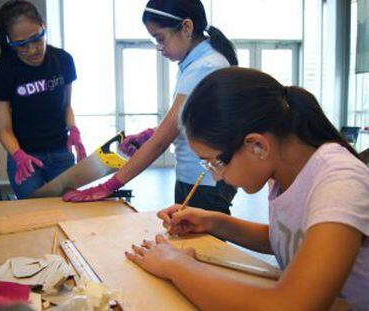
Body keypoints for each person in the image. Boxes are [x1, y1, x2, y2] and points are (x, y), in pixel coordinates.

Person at [125, 67, 369, 310]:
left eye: (215, 162)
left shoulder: (339, 182)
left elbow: (291, 305)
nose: (216, 176)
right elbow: (287, 237)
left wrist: (177, 266)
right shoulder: (284, 171)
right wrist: (213, 222)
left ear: (257, 146)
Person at [64, 0, 238, 215]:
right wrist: (148, 134)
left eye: (160, 39)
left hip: (204, 180)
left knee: (202, 245)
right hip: (199, 176)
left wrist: (109, 185)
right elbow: (186, 121)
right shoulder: (198, 62)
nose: (159, 48)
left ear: (186, 27)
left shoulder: (204, 67)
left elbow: (162, 141)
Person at [0, 0, 86, 199]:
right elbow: (5, 130)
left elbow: (66, 106)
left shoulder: (63, 60)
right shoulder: (1, 73)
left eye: (37, 38)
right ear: (9, 42)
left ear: (44, 26)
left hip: (61, 152)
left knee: (66, 210)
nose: (32, 49)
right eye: (21, 45)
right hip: (26, 158)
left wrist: (73, 129)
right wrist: (18, 155)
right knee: (32, 214)